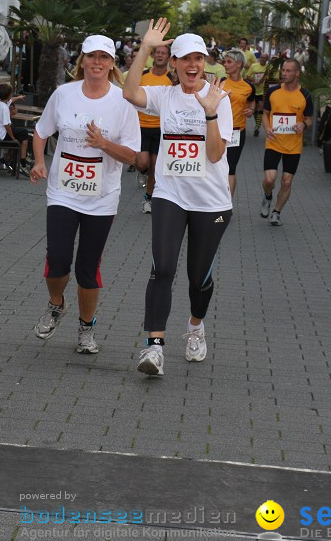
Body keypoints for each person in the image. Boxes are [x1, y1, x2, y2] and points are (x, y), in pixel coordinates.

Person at [123, 20, 233, 377]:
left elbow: (215, 155)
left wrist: (211, 112)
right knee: (163, 268)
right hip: (170, 194)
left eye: (198, 59)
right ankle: (154, 347)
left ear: (205, 62)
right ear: (174, 63)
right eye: (185, 58)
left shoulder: (220, 99)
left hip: (211, 202)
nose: (192, 65)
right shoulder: (164, 96)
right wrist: (143, 48)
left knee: (197, 277)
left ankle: (196, 326)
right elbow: (129, 92)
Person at [29, 35, 142, 354]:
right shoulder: (64, 94)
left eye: (103, 58)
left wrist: (104, 144)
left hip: (102, 196)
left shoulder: (123, 102)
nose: (97, 63)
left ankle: (86, 329)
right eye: (91, 57)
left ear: (112, 63)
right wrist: (39, 162)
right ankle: (55, 304)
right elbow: (40, 132)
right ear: (81, 61)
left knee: (87, 268)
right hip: (63, 192)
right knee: (59, 258)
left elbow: (134, 156)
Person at [259, 58, 313, 227]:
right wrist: (267, 128)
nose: (284, 73)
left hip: (293, 146)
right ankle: (267, 197)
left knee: (287, 181)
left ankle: (276, 212)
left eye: (289, 71)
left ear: (297, 73)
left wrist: (303, 124)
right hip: (274, 141)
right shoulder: (273, 91)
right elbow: (266, 113)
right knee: (269, 180)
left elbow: (310, 119)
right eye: (283, 70)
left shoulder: (305, 95)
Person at [136, 44, 176, 213]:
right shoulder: (143, 75)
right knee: (142, 162)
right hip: (140, 126)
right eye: (157, 52)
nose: (160, 55)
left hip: (161, 128)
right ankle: (141, 171)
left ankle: (148, 198)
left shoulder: (171, 79)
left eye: (164, 53)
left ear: (168, 57)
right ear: (152, 55)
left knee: (154, 165)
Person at [220, 49, 255, 196]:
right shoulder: (220, 83)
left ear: (239, 64)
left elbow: (252, 102)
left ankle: (227, 205)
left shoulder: (248, 86)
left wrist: (251, 110)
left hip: (237, 132)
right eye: (225, 61)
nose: (225, 64)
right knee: (217, 167)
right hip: (219, 131)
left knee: (230, 168)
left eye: (229, 62)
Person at [0, 82, 31, 176]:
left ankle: (6, 159)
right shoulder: (4, 108)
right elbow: (7, 126)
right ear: (9, 94)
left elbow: (10, 100)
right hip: (1, 135)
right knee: (24, 133)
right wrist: (13, 139)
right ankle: (22, 163)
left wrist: (19, 98)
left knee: (20, 136)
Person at [245, 52, 268, 136]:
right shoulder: (254, 66)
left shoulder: (269, 67)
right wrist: (254, 80)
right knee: (254, 110)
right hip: (254, 90)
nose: (263, 59)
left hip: (264, 91)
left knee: (260, 109)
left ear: (267, 59)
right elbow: (248, 76)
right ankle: (257, 123)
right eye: (262, 57)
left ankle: (257, 127)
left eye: (265, 58)